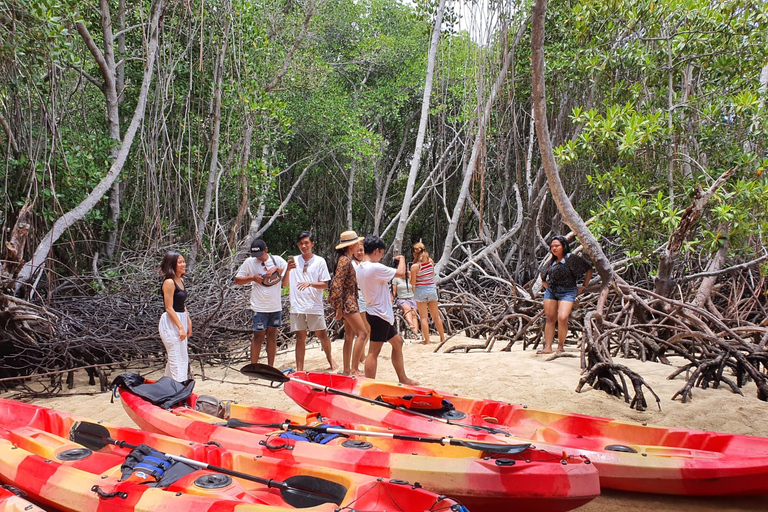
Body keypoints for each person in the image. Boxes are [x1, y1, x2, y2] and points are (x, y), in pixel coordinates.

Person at [356, 236, 419, 385]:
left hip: (376, 312)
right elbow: (401, 273)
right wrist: (402, 259)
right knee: (373, 352)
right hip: (380, 315)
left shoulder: (360, 267)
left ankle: (403, 378)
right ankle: (369, 384)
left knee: (397, 343)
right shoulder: (374, 267)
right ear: (376, 251)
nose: (381, 257)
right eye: (382, 253)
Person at [283, 231, 338, 372]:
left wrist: (310, 284)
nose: (304, 246)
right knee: (300, 336)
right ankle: (300, 369)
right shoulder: (293, 260)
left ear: (312, 243)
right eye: (301, 243)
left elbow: (325, 284)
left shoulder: (320, 261)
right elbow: (284, 284)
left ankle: (330, 359)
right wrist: (288, 270)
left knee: (322, 334)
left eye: (306, 243)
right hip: (297, 305)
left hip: (314, 304)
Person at [234, 239, 287, 367]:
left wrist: (277, 269)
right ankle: (254, 368)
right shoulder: (249, 263)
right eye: (255, 256)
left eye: (260, 255)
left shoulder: (277, 260)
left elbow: (289, 271)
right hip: (259, 307)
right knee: (258, 336)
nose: (258, 258)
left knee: (272, 336)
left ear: (266, 250)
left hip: (275, 306)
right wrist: (252, 278)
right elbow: (237, 279)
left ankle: (270, 366)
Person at [538, 236, 593, 355]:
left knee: (562, 318)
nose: (554, 248)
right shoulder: (552, 261)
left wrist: (584, 285)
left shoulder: (571, 258)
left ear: (564, 246)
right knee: (550, 319)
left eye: (557, 246)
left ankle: (560, 347)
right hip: (551, 292)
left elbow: (589, 269)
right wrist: (548, 287)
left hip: (568, 291)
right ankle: (548, 347)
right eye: (552, 246)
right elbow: (542, 276)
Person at [328, 230, 369, 375]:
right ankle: (354, 368)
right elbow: (336, 285)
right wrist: (338, 307)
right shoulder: (345, 261)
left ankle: (347, 369)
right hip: (348, 304)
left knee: (350, 336)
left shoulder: (344, 259)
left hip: (348, 302)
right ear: (351, 245)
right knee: (363, 333)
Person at [158, 251, 191, 381]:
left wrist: (188, 321)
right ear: (172, 264)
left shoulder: (180, 280)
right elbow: (169, 307)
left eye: (183, 261)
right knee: (177, 358)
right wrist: (180, 327)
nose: (183, 264)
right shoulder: (169, 282)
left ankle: (167, 387)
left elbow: (181, 304)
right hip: (170, 323)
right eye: (180, 262)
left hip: (181, 318)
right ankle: (179, 389)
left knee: (182, 356)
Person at [410, 242, 445, 345]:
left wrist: (409, 277)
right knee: (436, 316)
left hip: (420, 290)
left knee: (424, 317)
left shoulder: (415, 267)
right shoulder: (430, 261)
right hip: (431, 289)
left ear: (414, 253)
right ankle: (442, 338)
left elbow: (413, 282)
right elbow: (431, 275)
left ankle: (427, 340)